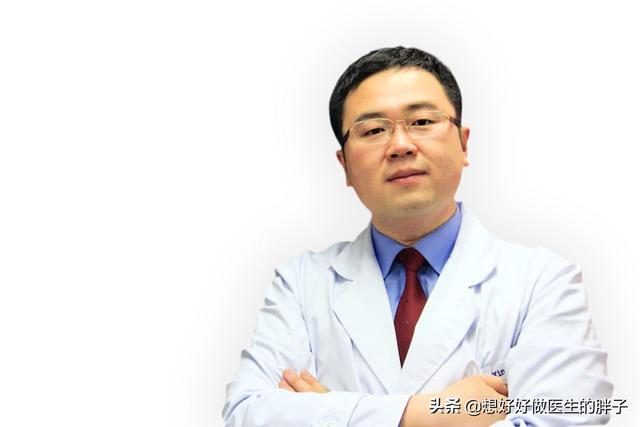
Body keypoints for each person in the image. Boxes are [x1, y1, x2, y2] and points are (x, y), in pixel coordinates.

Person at [222, 47, 613, 426]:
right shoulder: (301, 284)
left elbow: (569, 419)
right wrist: (430, 415)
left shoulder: (544, 282)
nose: (400, 145)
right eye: (373, 130)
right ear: (345, 165)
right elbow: (245, 413)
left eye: (422, 122)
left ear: (463, 144)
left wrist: (332, 413)